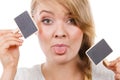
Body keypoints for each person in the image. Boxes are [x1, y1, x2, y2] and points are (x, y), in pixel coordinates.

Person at [0, 0, 120, 80]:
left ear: (84, 25)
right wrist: (8, 70)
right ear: (33, 25)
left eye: (71, 20)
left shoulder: (110, 76)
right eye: (47, 20)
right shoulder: (19, 77)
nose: (60, 33)